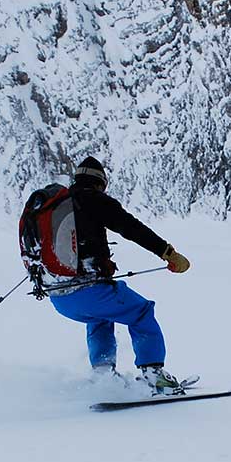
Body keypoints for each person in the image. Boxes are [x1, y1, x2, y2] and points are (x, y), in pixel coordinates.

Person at [44, 156, 192, 393]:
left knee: (100, 317)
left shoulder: (56, 207)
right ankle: (154, 375)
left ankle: (103, 376)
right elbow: (131, 228)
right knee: (142, 312)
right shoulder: (93, 199)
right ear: (100, 183)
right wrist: (168, 253)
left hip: (59, 297)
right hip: (89, 289)